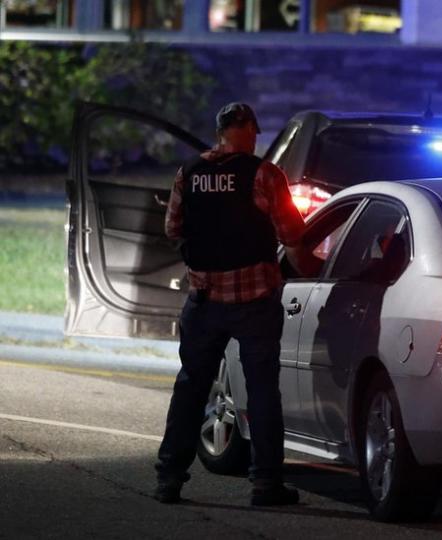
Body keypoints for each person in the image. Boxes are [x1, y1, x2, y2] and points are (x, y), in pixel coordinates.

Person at [154, 102, 305, 506]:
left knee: (190, 389)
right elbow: (292, 231)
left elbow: (172, 228)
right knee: (262, 393)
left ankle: (169, 478)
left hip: (203, 302)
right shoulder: (263, 174)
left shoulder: (189, 173)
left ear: (220, 131)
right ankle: (266, 485)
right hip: (255, 301)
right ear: (252, 129)